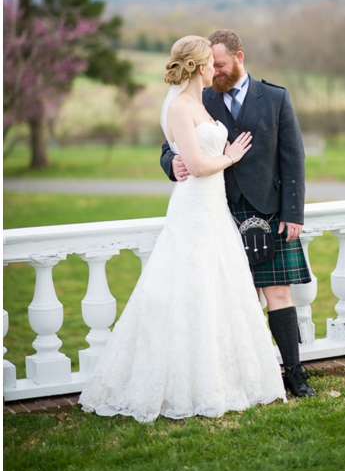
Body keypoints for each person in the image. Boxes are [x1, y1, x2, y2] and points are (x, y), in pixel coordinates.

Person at [80, 36, 286, 422]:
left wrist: (219, 157)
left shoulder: (198, 103)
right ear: (197, 66)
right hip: (193, 210)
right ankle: (183, 383)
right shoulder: (179, 107)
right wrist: (229, 156)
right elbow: (197, 164)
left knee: (218, 289)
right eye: (210, 63)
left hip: (214, 209)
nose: (214, 69)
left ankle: (223, 378)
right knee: (187, 289)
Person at [160, 30, 314, 398]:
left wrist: (293, 212)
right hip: (220, 211)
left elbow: (293, 158)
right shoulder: (199, 98)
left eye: (222, 65)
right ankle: (243, 376)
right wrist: (173, 163)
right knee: (230, 297)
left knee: (278, 293)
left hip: (268, 209)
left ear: (239, 57)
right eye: (212, 66)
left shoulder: (275, 97)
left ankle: (295, 374)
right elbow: (169, 146)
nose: (217, 72)